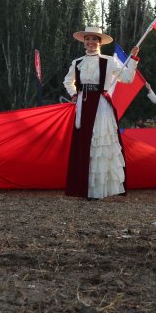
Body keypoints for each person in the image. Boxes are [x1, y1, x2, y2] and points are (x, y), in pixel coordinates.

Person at [63, 26, 140, 200]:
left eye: (94, 39)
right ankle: (84, 187)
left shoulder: (109, 62)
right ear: (84, 42)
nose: (91, 42)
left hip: (101, 106)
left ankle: (98, 190)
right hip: (83, 105)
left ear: (100, 43)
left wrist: (133, 58)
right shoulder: (77, 62)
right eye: (88, 39)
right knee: (84, 144)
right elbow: (68, 81)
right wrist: (74, 94)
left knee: (100, 144)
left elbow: (127, 78)